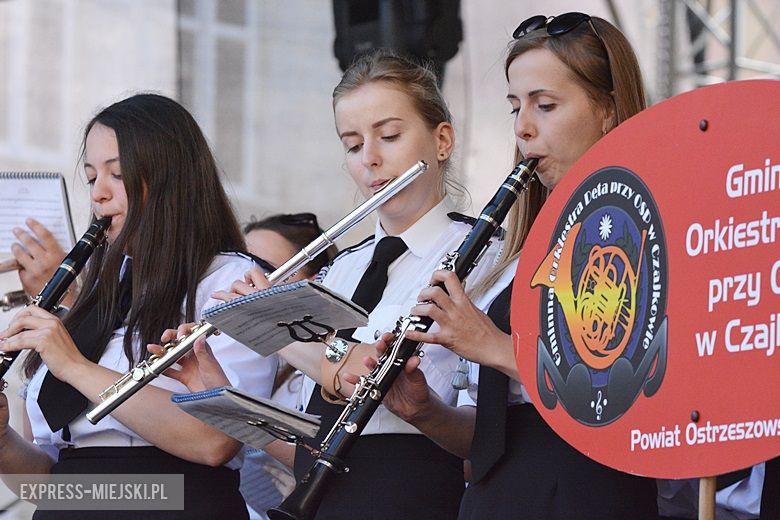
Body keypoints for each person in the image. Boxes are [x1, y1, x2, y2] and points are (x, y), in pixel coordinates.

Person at [363, 12, 660, 520]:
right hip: (499, 494)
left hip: (584, 495)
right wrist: (426, 412)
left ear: (609, 110)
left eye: (544, 105)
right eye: (515, 106)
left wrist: (493, 345)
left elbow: (631, 393)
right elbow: (499, 434)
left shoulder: (646, 228)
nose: (523, 127)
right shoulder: (527, 247)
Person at [218, 49, 504, 519]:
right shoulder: (341, 269)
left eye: (389, 136)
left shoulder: (485, 257)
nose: (370, 159)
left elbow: (484, 431)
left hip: (413, 490)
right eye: (352, 145)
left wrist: (275, 329)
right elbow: (316, 426)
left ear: (443, 141)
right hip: (322, 492)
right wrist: (221, 383)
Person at [0, 93, 277, 519]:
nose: (99, 195)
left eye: (119, 174)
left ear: (172, 179)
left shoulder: (232, 282)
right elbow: (56, 487)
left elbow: (214, 441)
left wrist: (74, 366)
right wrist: (2, 441)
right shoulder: (101, 292)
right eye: (92, 178)